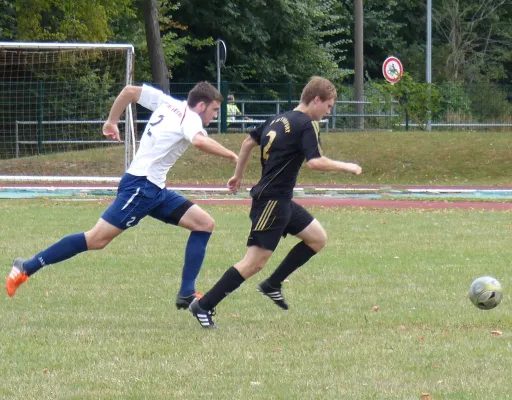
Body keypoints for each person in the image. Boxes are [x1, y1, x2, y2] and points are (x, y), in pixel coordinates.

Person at [6, 82, 238, 310]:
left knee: (204, 224)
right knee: (96, 239)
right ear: (200, 106)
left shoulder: (168, 103)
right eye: (215, 110)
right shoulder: (191, 119)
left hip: (155, 189)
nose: (215, 115)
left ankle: (187, 292)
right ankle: (26, 267)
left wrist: (112, 121)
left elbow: (129, 91)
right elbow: (198, 140)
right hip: (141, 188)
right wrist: (233, 157)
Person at [189, 76, 362, 328]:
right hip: (272, 202)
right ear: (316, 99)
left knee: (317, 238)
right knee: (253, 263)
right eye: (328, 106)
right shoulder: (306, 124)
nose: (328, 112)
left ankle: (273, 283)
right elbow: (314, 162)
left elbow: (248, 142)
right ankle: (204, 305)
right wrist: (347, 166)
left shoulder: (278, 118)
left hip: (281, 200)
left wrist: (238, 174)